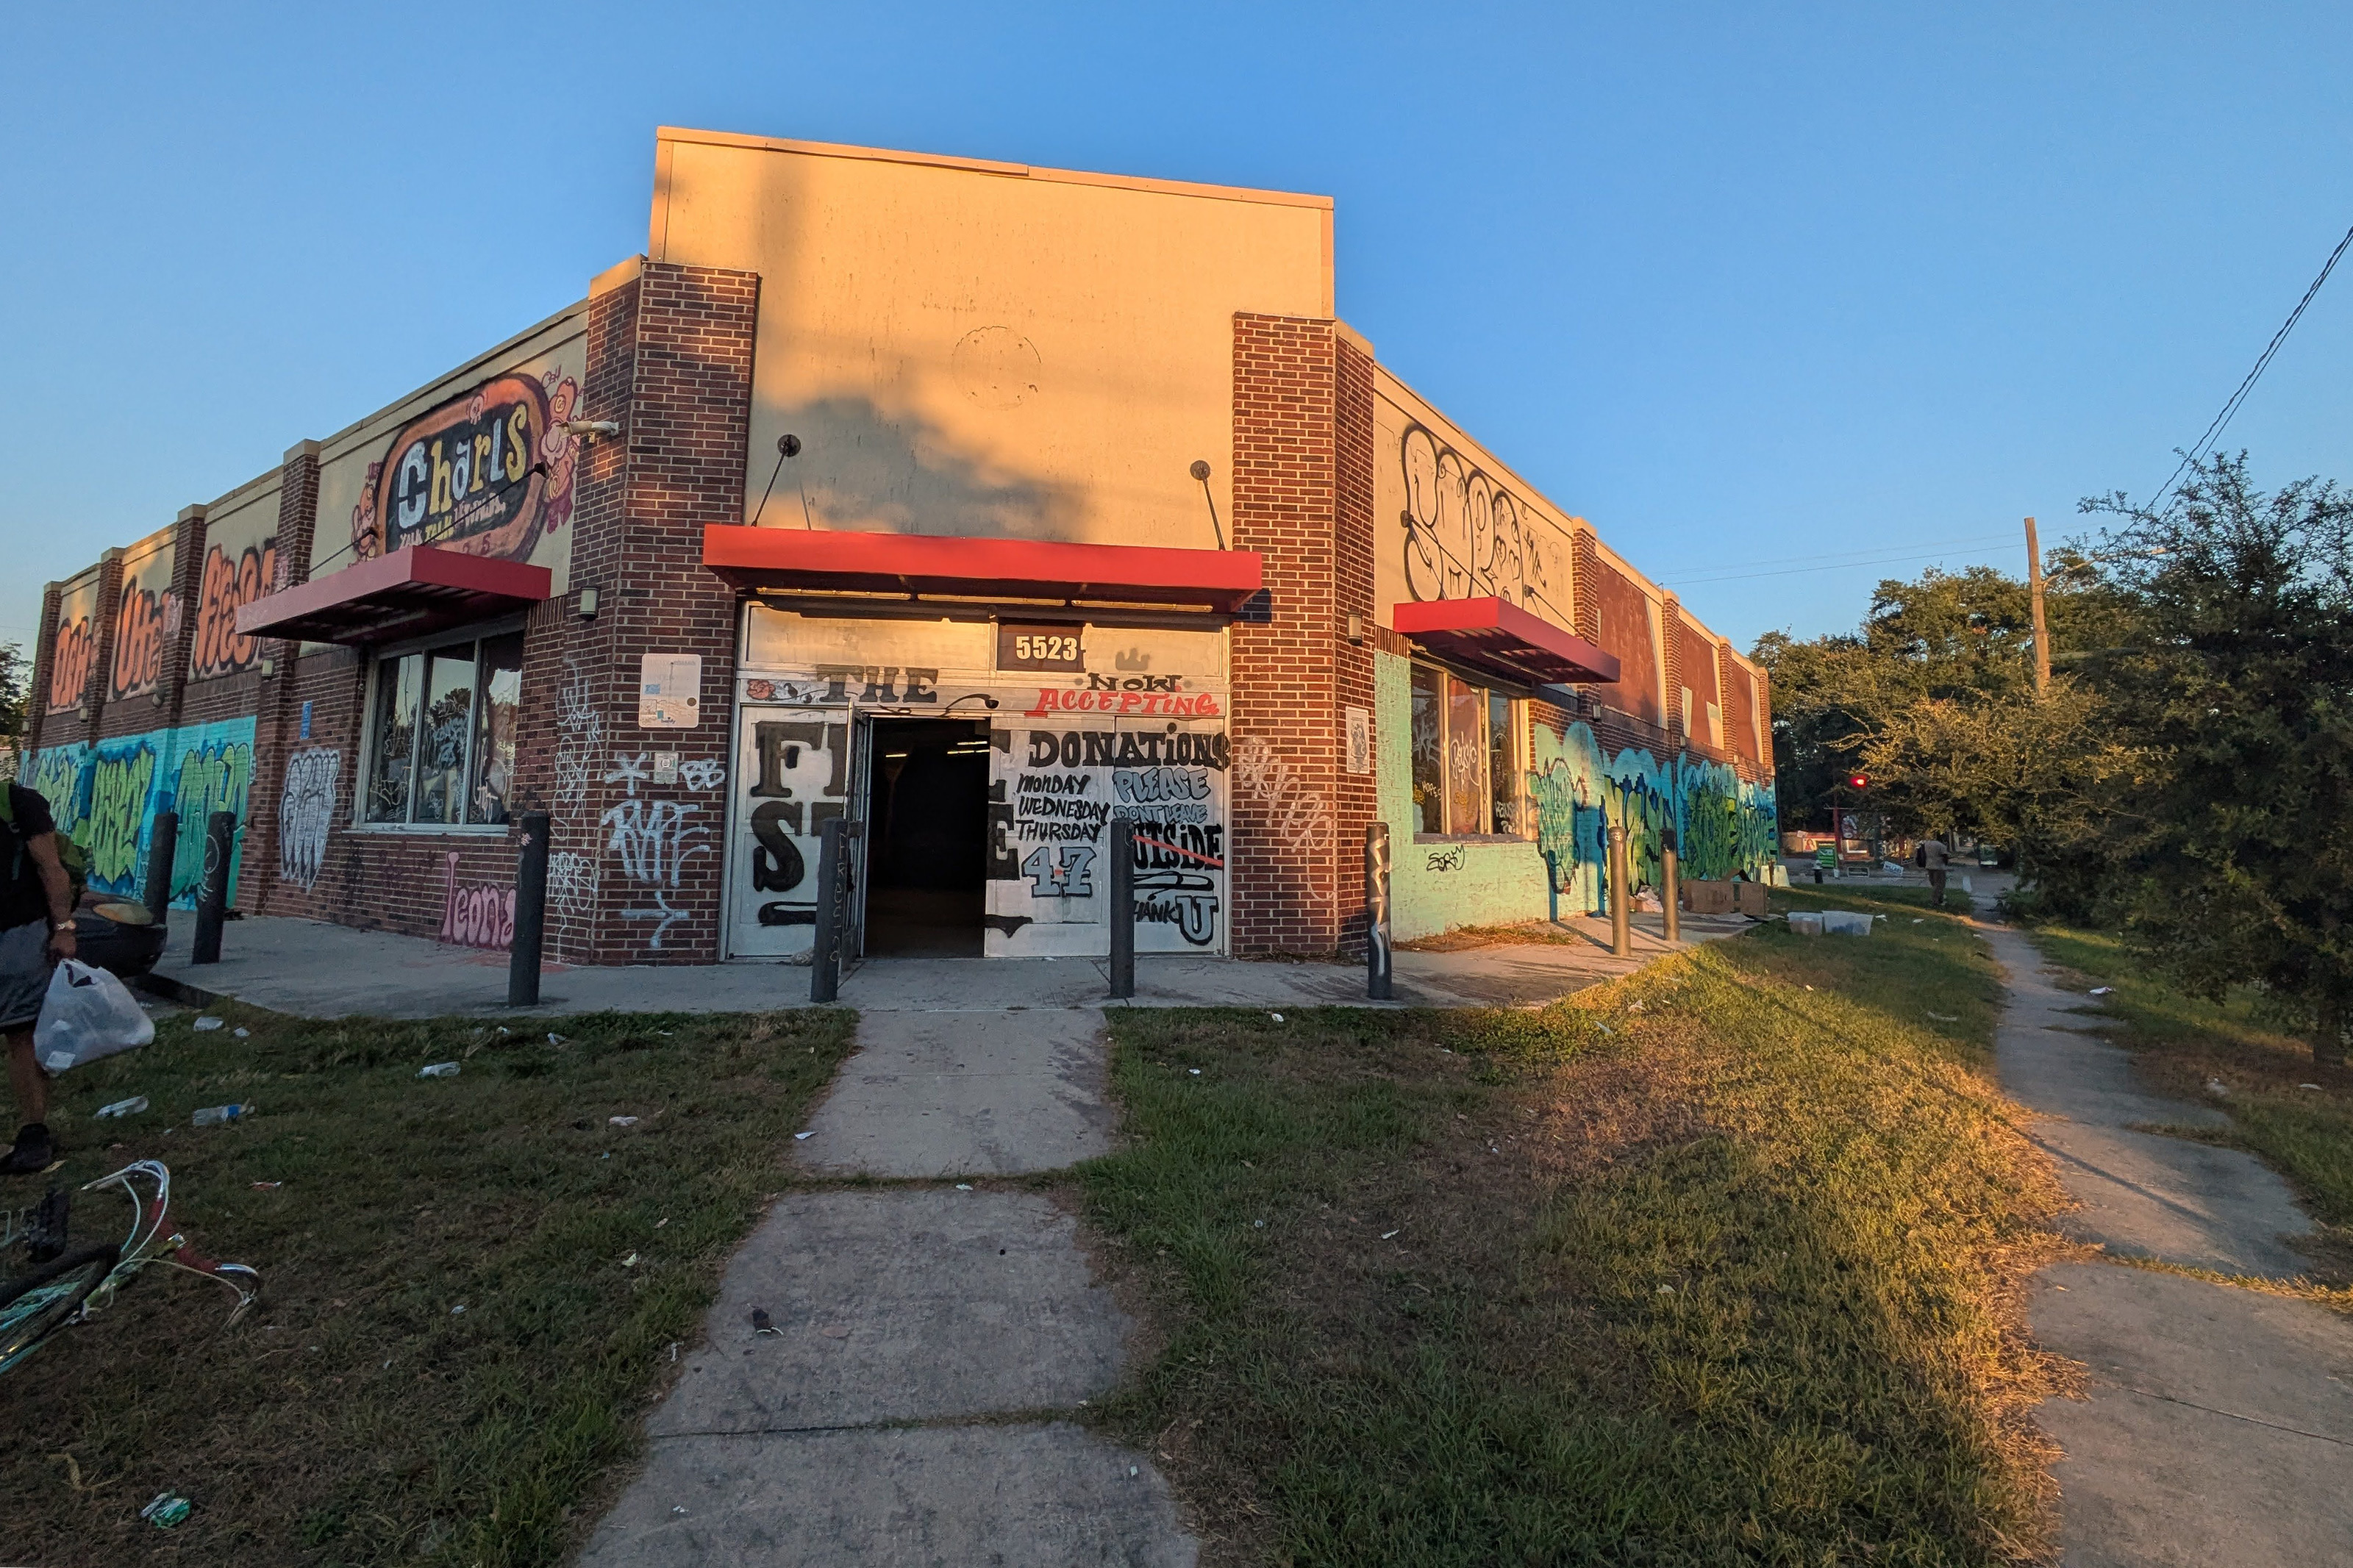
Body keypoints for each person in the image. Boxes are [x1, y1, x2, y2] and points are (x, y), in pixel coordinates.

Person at [1, 778, 77, 1175]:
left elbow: (52, 869)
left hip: (18, 935)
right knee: (20, 1036)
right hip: (18, 935)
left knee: (21, 1035)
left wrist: (63, 928)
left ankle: (34, 1134)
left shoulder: (19, 803)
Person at [1918, 835, 1951, 909]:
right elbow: (1945, 856)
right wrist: (1946, 863)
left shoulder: (1927, 844)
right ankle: (1935, 901)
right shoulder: (1941, 846)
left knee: (1934, 883)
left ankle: (1940, 898)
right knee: (1939, 884)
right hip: (1939, 867)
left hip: (1929, 866)